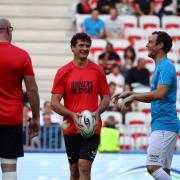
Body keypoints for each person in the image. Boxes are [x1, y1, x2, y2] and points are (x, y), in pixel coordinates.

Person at [112, 31, 180, 180]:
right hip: (164, 125)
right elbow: (153, 96)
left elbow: (160, 94)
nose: (146, 45)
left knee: (152, 167)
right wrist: (130, 93)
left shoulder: (165, 67)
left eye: (150, 42)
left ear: (160, 45)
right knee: (164, 171)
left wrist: (133, 96)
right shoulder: (161, 66)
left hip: (165, 125)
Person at [51, 32, 110, 180]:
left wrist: (97, 112)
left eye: (87, 46)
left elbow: (106, 97)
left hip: (92, 127)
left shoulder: (98, 70)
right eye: (81, 45)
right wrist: (72, 115)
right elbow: (54, 103)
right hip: (71, 127)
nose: (84, 48)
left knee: (84, 166)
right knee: (74, 170)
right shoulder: (63, 72)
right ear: (72, 48)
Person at [0, 19, 40, 180]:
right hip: (11, 118)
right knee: (9, 166)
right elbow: (31, 90)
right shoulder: (22, 55)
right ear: (9, 30)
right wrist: (36, 118)